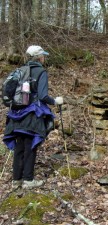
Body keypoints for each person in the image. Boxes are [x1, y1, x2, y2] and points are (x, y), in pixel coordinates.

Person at [3, 45, 64, 189]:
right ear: (39, 57)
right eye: (43, 56)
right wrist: (55, 101)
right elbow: (43, 96)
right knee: (30, 146)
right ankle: (28, 181)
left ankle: (16, 180)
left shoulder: (20, 71)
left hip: (15, 114)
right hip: (31, 114)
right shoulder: (41, 72)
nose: (44, 58)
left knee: (19, 147)